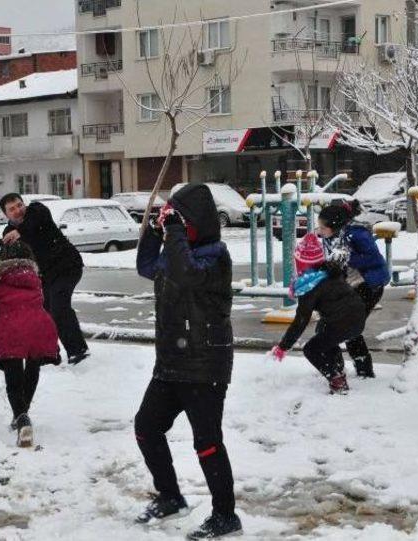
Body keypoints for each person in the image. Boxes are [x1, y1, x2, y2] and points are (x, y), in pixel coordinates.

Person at [134, 184, 242, 539]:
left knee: (207, 441)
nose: (174, 227)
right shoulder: (175, 255)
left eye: (180, 220)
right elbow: (147, 265)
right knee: (147, 427)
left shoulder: (215, 257)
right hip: (170, 363)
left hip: (204, 364)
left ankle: (225, 516)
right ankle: (170, 497)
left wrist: (175, 230)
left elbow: (186, 273)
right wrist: (154, 230)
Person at [0, 241, 60, 447]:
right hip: (39, 326)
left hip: (11, 329)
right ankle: (21, 416)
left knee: (13, 379)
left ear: (3, 260)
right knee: (32, 369)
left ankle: (22, 417)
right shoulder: (35, 280)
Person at [270, 233, 366, 394]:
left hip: (343, 321)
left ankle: (337, 380)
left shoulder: (310, 285)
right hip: (357, 316)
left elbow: (301, 320)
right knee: (324, 334)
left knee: (311, 349)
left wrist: (283, 346)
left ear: (301, 264)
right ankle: (338, 369)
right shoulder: (329, 273)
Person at [0, 193, 89, 365]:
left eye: (19, 205)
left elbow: (35, 222)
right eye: (12, 209)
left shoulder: (36, 210)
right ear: (6, 214)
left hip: (67, 267)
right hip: (46, 275)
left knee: (59, 307)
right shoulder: (8, 233)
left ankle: (78, 351)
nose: (18, 210)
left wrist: (20, 231)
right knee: (44, 314)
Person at [316, 202, 390, 378]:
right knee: (328, 327)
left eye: (322, 227)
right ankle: (336, 366)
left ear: (334, 225)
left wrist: (347, 255)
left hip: (368, 286)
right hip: (349, 287)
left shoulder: (357, 235)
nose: (319, 231)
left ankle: (363, 370)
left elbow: (373, 260)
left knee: (348, 327)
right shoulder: (332, 237)